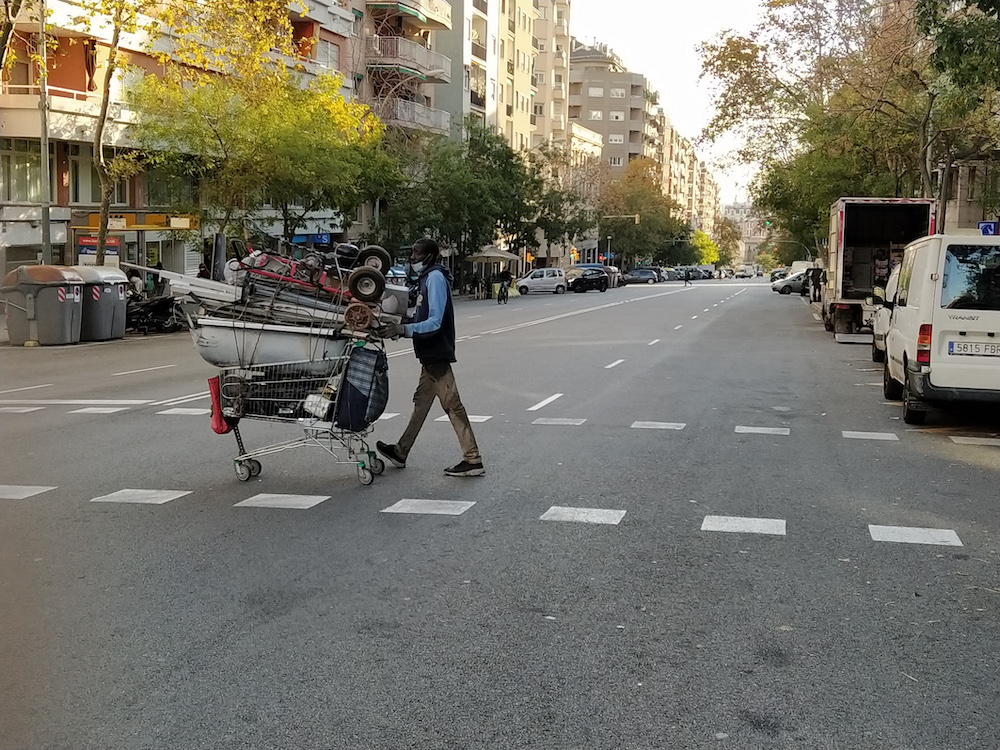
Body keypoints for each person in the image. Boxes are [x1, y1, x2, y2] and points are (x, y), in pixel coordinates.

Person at [375, 238, 485, 477]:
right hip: (429, 353)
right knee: (421, 403)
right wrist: (401, 323)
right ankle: (401, 451)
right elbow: (421, 315)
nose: (412, 257)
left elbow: (435, 321)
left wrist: (403, 330)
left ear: (430, 256)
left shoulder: (435, 278)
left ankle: (473, 459)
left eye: (417, 253)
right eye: (412, 252)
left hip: (436, 352)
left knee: (452, 406)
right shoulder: (426, 278)